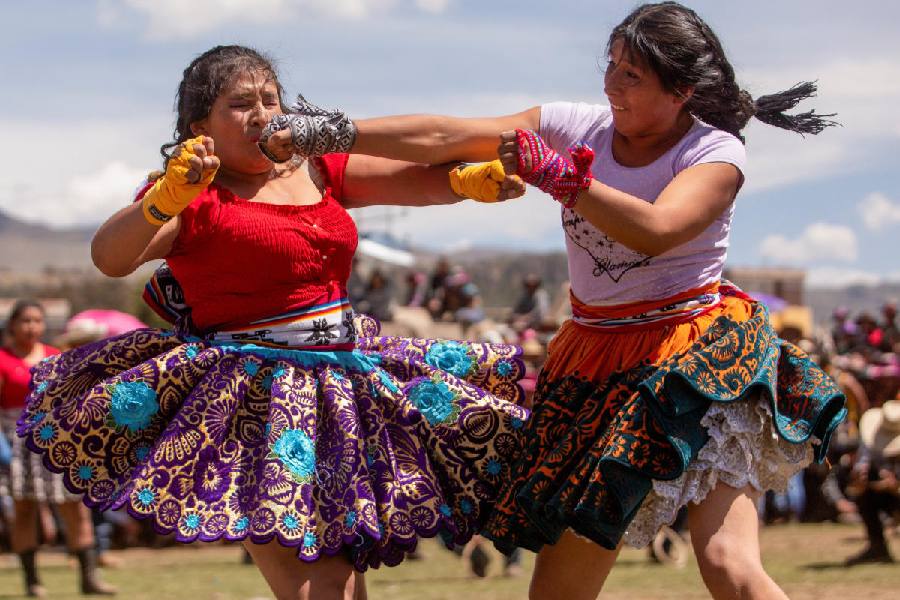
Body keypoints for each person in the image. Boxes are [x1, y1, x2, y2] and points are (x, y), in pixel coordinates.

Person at [260, 3, 847, 598]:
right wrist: (335, 132)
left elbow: (657, 227)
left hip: (696, 363)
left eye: (632, 76)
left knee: (728, 565)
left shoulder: (714, 153)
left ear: (681, 90)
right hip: (598, 363)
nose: (610, 84)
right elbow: (446, 137)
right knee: (557, 592)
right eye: (611, 65)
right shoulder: (578, 125)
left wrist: (565, 179)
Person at [16, 45, 529, 600]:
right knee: (317, 589)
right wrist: (167, 197)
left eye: (271, 99)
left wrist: (471, 181)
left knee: (346, 586)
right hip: (250, 404)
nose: (262, 113)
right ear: (199, 127)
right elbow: (110, 257)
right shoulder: (192, 191)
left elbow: (418, 179)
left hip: (345, 391)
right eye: (240, 103)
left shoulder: (317, 168)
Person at [0, 300, 115, 597]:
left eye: (37, 321)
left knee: (74, 508)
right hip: (16, 441)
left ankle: (90, 579)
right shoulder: (2, 360)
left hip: (55, 440)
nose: (31, 327)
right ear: (12, 325)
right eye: (25, 321)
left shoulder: (54, 356)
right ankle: (32, 581)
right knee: (24, 510)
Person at [844, 400, 900, 565]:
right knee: (865, 498)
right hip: (884, 495)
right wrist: (859, 483)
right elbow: (854, 485)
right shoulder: (869, 447)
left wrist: (895, 487)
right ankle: (877, 548)